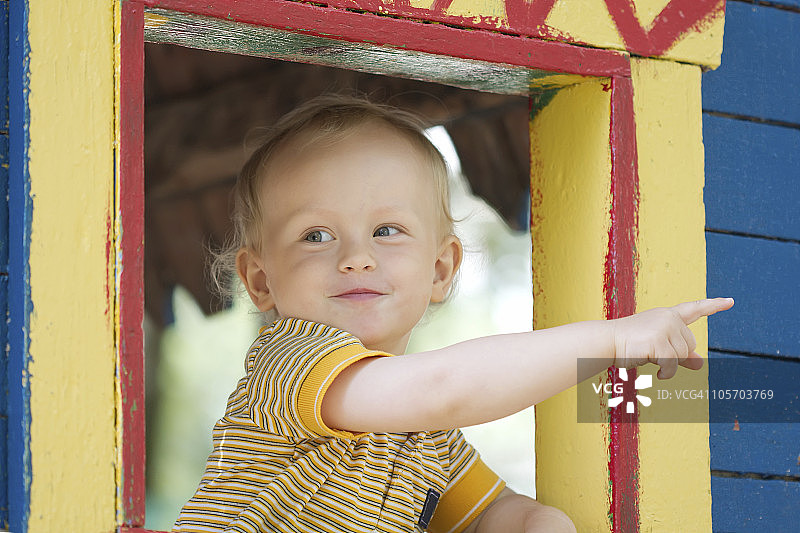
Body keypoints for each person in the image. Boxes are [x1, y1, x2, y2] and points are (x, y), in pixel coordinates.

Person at [174, 95, 734, 533]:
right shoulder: (291, 362)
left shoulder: (426, 435)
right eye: (315, 235)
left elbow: (492, 513)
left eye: (386, 230)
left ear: (441, 270)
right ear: (260, 280)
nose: (356, 258)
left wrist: (543, 522)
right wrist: (610, 342)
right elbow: (445, 385)